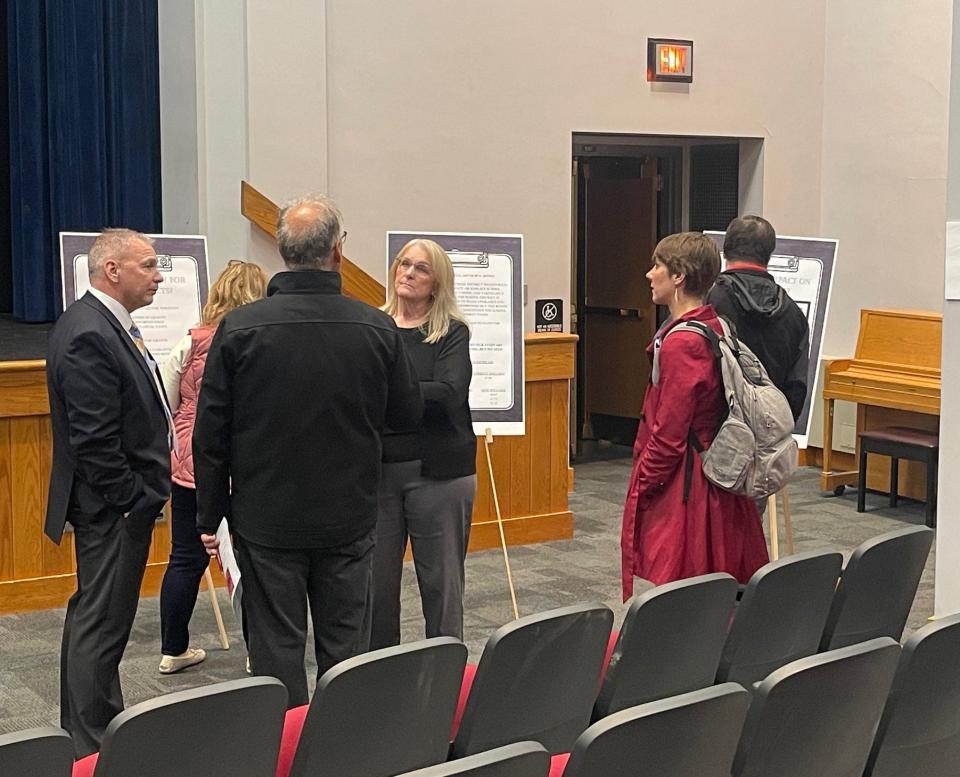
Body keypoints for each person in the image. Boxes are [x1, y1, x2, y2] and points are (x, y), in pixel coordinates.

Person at [193, 193, 422, 707]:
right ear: (338, 252)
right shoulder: (378, 328)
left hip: (265, 518)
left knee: (275, 646)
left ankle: (284, 749)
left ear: (280, 249)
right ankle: (341, 748)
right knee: (346, 646)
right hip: (349, 515)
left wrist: (209, 516)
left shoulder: (240, 328)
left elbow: (211, 435)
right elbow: (406, 418)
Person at [45, 228, 172, 756]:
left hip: (116, 504)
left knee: (100, 618)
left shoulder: (106, 324)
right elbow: (94, 440)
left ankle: (94, 726)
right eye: (148, 266)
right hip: (111, 508)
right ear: (112, 270)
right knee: (100, 621)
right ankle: (92, 741)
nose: (159, 275)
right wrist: (133, 498)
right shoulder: (89, 333)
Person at [621, 232, 769, 600]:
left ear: (679, 277)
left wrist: (642, 485)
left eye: (658, 266)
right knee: (718, 589)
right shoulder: (715, 325)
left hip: (692, 485)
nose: (649, 274)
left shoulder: (682, 343)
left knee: (689, 591)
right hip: (717, 478)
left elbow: (669, 435)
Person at [157, 260, 268, 674]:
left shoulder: (187, 345)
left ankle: (173, 648)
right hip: (247, 466)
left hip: (192, 469)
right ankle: (258, 651)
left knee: (185, 558)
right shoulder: (261, 343)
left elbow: (167, 407)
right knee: (254, 561)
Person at [370, 239, 476, 648]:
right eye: (404, 264)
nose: (409, 273)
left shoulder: (451, 332)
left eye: (421, 268)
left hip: (440, 472)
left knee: (441, 587)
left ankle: (444, 677)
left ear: (436, 283)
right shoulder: (375, 327)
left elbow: (450, 391)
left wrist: (388, 394)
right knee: (376, 590)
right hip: (380, 473)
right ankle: (380, 677)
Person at [705, 215, 810, 421]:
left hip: (718, 435)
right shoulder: (794, 313)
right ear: (769, 254)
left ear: (725, 249)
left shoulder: (708, 302)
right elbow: (797, 386)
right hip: (771, 433)